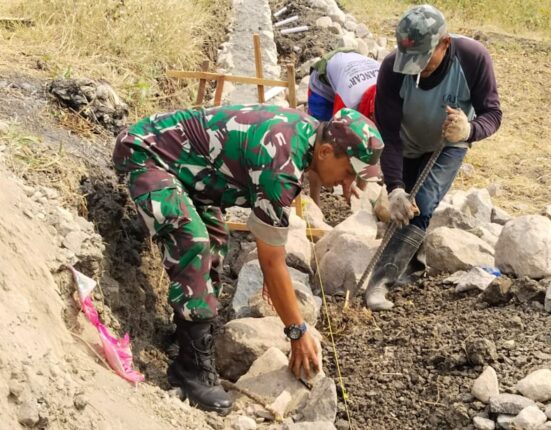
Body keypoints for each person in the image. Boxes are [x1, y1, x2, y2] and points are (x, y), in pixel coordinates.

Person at [112, 105, 384, 413]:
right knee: (194, 242)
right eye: (349, 172)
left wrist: (343, 174)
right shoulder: (281, 168)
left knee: (215, 238)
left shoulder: (309, 136)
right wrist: (297, 330)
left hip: (187, 168)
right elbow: (271, 262)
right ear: (324, 152)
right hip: (146, 155)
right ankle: (189, 370)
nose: (348, 180)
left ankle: (188, 336)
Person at [365, 4, 502, 311]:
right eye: (410, 60)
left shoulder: (473, 58)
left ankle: (379, 284)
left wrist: (469, 129)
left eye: (423, 60)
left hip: (450, 142)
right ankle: (412, 269)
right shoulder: (392, 68)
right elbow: (389, 136)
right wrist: (395, 188)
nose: (416, 69)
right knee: (404, 207)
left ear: (445, 43)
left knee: (423, 203)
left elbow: (493, 113)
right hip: (405, 143)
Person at [306, 50, 380, 205]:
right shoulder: (349, 101)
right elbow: (333, 141)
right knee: (316, 145)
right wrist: (346, 176)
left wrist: (352, 178)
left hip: (353, 73)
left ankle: (358, 199)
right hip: (324, 83)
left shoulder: (393, 105)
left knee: (365, 148)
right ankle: (315, 201)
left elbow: (369, 151)